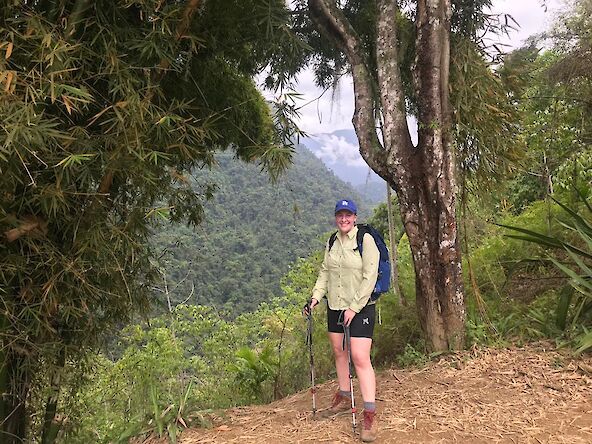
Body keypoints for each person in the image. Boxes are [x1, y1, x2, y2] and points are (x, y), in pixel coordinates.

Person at [304, 198, 379, 442]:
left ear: (355, 217)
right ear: (336, 217)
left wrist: (355, 308)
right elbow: (325, 272)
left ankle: (369, 413)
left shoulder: (365, 240)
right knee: (339, 351)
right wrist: (316, 297)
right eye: (340, 215)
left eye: (348, 215)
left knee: (359, 357)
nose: (344, 219)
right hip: (335, 306)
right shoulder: (332, 241)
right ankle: (345, 396)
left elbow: (370, 277)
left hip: (361, 307)